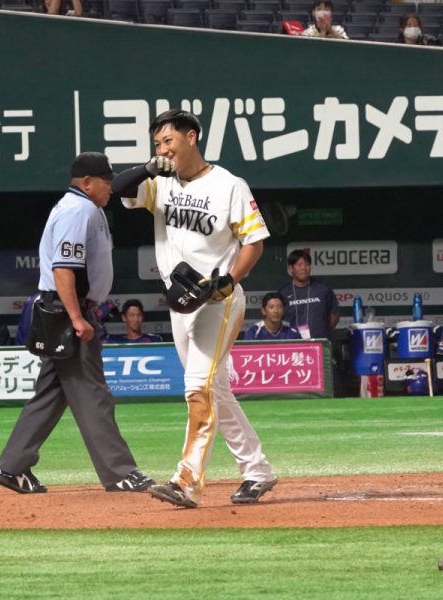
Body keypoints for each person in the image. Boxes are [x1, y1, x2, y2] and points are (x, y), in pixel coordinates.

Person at [112, 108, 278, 508]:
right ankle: (257, 470)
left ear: (191, 137)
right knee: (214, 389)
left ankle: (185, 482)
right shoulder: (159, 184)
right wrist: (147, 168)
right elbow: (119, 188)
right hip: (180, 302)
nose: (163, 149)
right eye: (157, 143)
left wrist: (230, 280)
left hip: (218, 300)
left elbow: (254, 241)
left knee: (197, 387)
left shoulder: (229, 185)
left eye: (168, 140)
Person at [0, 152, 153, 495]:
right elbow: (63, 268)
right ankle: (120, 472)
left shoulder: (83, 205)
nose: (111, 188)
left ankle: (12, 467)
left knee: (50, 395)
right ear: (88, 182)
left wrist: (147, 169)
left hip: (64, 308)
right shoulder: (78, 210)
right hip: (68, 310)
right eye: (106, 182)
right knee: (93, 393)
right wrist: (77, 317)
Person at [278, 249, 339, 340]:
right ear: (291, 268)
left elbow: (334, 315)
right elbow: (278, 319)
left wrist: (322, 333)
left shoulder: (323, 289)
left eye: (307, 264)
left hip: (319, 342)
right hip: (293, 343)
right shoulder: (283, 293)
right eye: (299, 264)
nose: (303, 268)